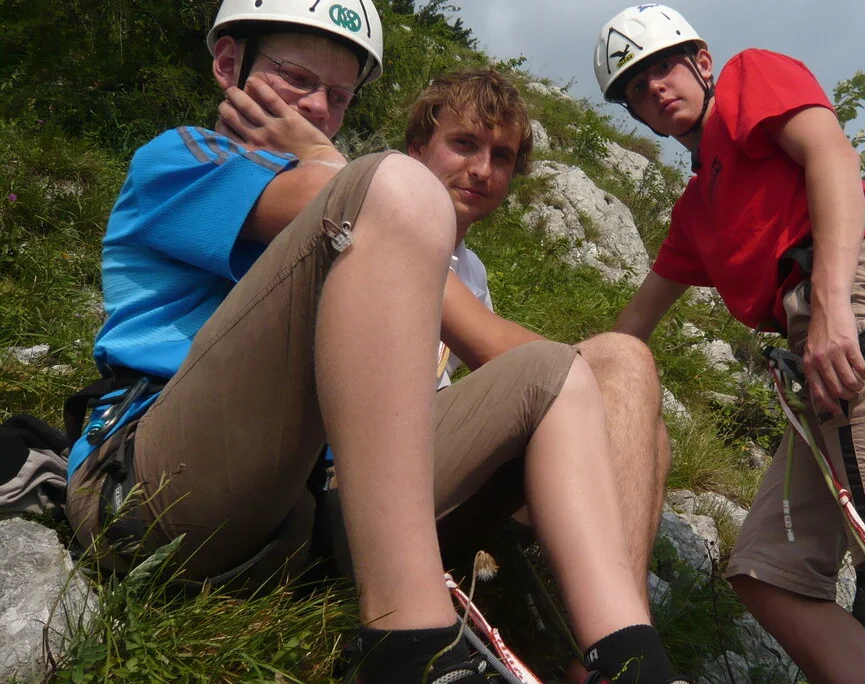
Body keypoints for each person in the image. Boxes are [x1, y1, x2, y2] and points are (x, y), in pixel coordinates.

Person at [62, 2, 685, 682]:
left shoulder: (378, 207)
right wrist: (342, 167)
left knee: (573, 367)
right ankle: (410, 648)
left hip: (316, 512)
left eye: (339, 95)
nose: (317, 108)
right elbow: (365, 198)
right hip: (161, 490)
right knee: (394, 192)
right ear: (228, 64)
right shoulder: (182, 157)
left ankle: (625, 664)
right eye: (295, 78)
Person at [592, 5, 865, 683]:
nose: (655, 87)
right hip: (825, 345)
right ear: (635, 113)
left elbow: (831, 153)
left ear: (702, 62)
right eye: (635, 86)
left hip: (863, 299)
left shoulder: (750, 79)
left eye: (663, 66)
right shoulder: (696, 212)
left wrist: (831, 303)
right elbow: (634, 322)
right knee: (769, 574)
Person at [403, 67, 672, 612]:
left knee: (650, 431)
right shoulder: (392, 224)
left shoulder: (470, 271)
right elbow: (503, 353)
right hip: (373, 469)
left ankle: (606, 633)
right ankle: (621, 644)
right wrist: (608, 370)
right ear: (417, 148)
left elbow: (500, 384)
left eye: (501, 157)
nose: (481, 170)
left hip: (434, 450)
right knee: (618, 367)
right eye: (463, 144)